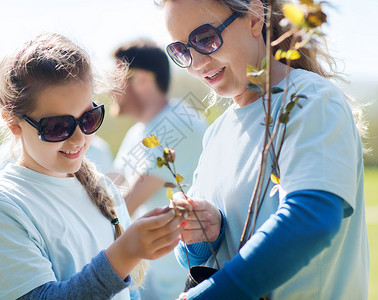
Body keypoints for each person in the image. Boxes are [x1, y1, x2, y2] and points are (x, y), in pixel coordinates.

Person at [157, 0, 370, 299]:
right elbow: (194, 258)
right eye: (182, 50)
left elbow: (311, 219)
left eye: (205, 39)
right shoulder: (217, 133)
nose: (197, 63)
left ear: (256, 17)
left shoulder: (311, 99)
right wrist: (201, 234)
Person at [0, 33, 186, 300]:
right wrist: (124, 255)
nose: (79, 138)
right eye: (58, 126)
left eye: (88, 118)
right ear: (12, 121)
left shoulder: (103, 188)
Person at [111, 40, 208, 300]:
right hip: (150, 282)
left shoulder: (178, 123)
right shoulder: (138, 132)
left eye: (115, 78)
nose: (109, 89)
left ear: (142, 79)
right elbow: (109, 191)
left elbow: (121, 207)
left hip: (178, 284)